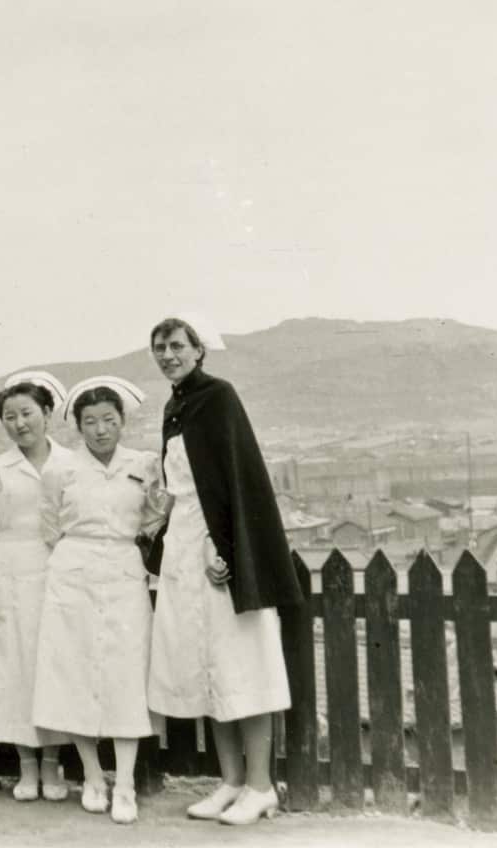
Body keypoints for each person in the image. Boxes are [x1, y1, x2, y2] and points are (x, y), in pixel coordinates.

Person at [145, 315, 303, 825]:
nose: (167, 355)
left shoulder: (218, 396)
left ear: (198, 350)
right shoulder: (175, 406)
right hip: (184, 545)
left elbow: (235, 479)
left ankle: (261, 785)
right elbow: (186, 482)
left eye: (176, 345)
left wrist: (226, 550)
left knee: (241, 665)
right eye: (159, 348)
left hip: (221, 549)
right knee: (205, 666)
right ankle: (231, 781)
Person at [32, 376, 166, 824]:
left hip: (125, 573)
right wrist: (77, 559)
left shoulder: (144, 464)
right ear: (77, 426)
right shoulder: (61, 469)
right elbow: (49, 525)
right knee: (74, 671)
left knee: (126, 674)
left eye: (109, 420)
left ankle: (124, 781)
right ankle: (92, 775)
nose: (100, 430)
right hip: (72, 574)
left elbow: (153, 514)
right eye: (90, 422)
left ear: (122, 421)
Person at [0, 371, 73, 803]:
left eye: (27, 413)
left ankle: (53, 765)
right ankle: (27, 765)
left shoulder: (70, 464)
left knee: (55, 670)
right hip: (9, 576)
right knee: (16, 673)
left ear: (47, 414)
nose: (19, 423)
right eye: (9, 416)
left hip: (58, 574)